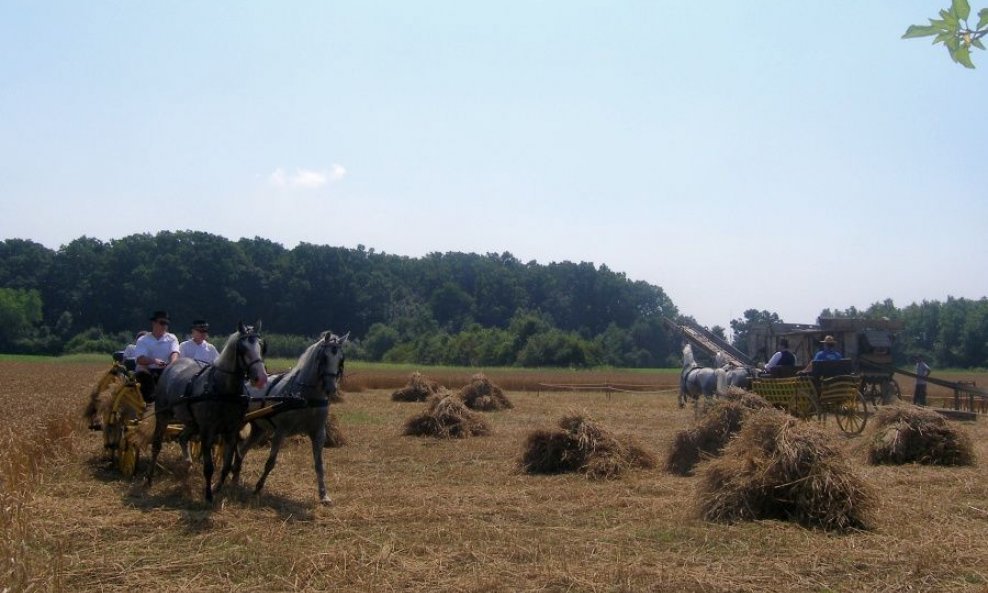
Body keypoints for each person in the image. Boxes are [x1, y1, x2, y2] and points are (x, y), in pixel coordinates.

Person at [134, 310, 180, 401]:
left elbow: (174, 352)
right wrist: (154, 361)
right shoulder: (143, 340)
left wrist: (172, 364)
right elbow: (140, 359)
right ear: (153, 323)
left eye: (166, 323)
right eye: (162, 323)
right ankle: (150, 400)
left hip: (166, 370)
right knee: (143, 372)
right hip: (148, 371)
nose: (164, 326)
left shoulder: (172, 338)